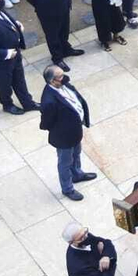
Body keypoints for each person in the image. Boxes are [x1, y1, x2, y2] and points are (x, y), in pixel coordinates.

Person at [39, 65, 96, 200]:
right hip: (63, 137)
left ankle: (77, 174)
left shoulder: (65, 85)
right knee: (64, 163)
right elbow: (46, 122)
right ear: (52, 81)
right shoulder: (49, 101)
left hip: (75, 131)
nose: (64, 78)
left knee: (76, 153)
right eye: (60, 76)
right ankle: (67, 188)